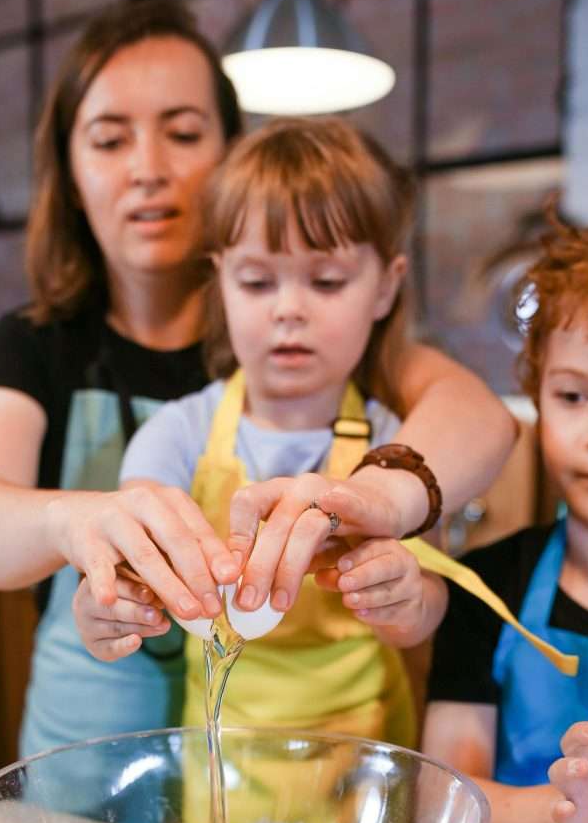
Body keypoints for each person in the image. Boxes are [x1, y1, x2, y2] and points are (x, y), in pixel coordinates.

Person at [0, 0, 515, 759]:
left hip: (269, 761)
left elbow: (480, 418)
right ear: (71, 176)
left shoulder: (320, 346)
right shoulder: (36, 342)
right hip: (84, 754)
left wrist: (372, 500)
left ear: (231, 157)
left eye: (183, 132)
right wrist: (72, 522)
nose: (148, 168)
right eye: (110, 140)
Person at [113, 116, 451, 762]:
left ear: (385, 285)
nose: (288, 309)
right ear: (220, 282)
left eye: (325, 281)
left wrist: (411, 600)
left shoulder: (394, 446)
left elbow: (429, 608)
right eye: (257, 281)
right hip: (226, 767)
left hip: (365, 765)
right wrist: (114, 604)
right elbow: (133, 562)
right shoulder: (177, 436)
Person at [422, 215, 588, 823]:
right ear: (537, 397)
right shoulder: (490, 585)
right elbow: (443, 799)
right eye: (575, 397)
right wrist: (568, 811)